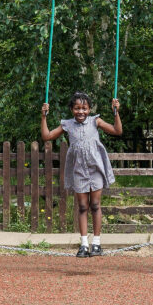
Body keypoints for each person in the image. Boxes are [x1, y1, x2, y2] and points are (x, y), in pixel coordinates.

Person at [41, 92, 122, 257]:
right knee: (83, 206)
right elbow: (47, 136)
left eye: (84, 108)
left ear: (89, 109)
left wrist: (116, 112)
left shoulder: (95, 121)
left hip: (96, 169)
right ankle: (84, 244)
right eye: (77, 108)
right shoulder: (67, 125)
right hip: (79, 170)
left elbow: (117, 131)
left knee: (95, 205)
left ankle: (97, 244)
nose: (81, 112)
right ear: (72, 109)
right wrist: (43, 117)